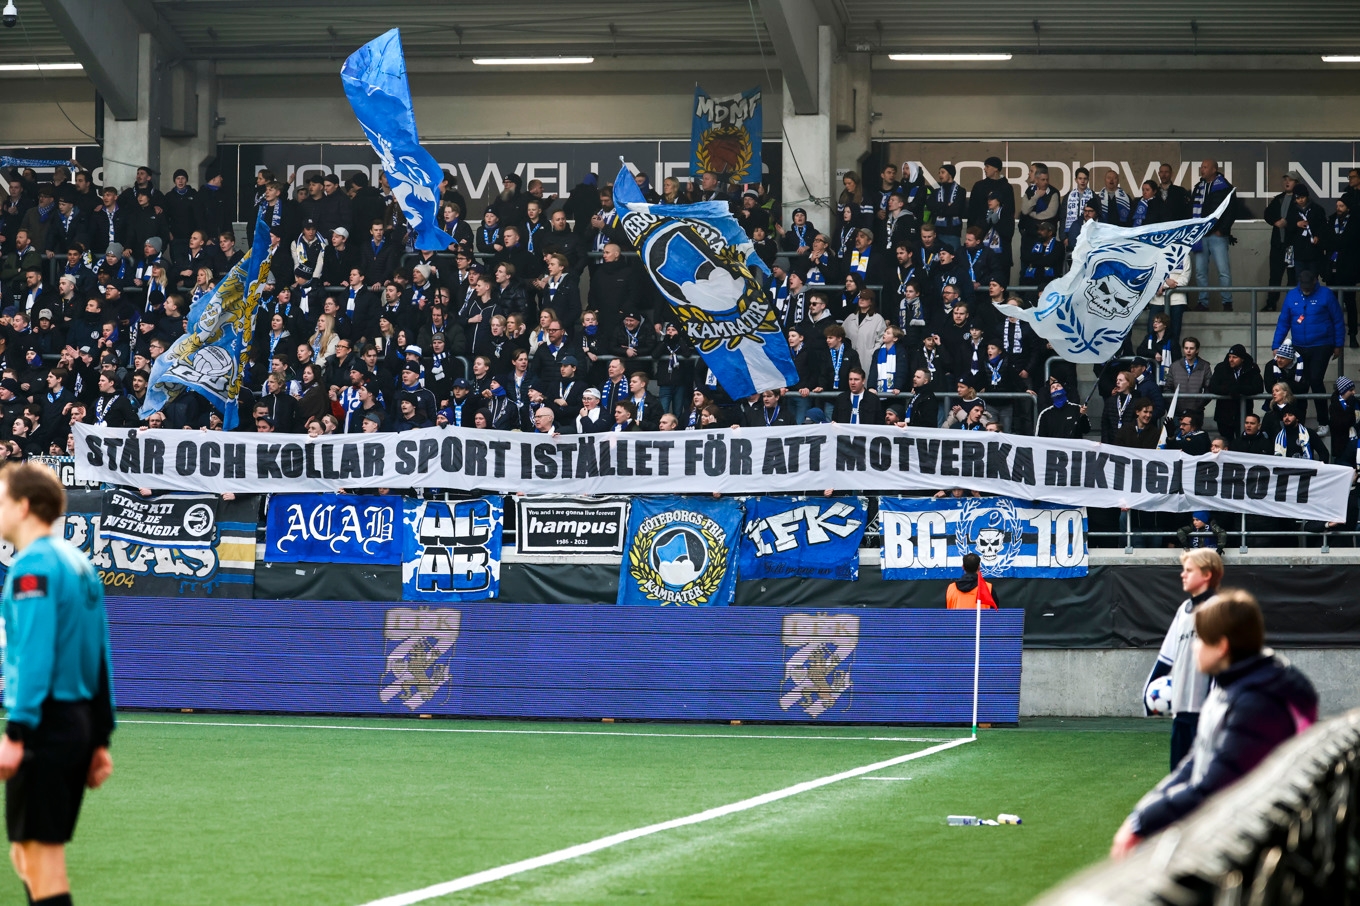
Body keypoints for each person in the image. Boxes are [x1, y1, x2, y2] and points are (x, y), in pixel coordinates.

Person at [1113, 590, 1317, 858]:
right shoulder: (1229, 687)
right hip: (1233, 834)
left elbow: (1214, 785)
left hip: (1260, 850)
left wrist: (1142, 825)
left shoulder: (1258, 703)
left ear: (1221, 646)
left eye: (1200, 640)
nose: (1194, 647)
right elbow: (1196, 760)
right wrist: (1142, 813)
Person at [0, 463, 115, 905]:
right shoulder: (79, 563)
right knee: (25, 855)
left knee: (42, 862)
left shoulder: (34, 567)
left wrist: (17, 732)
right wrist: (100, 738)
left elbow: (34, 654)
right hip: (77, 722)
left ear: (24, 506)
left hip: (47, 725)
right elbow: (98, 656)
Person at [1144, 549, 1223, 772]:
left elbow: (1225, 665)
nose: (1183, 575)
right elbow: (1166, 657)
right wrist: (1148, 694)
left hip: (1207, 715)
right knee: (1177, 776)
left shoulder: (1219, 609)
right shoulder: (1183, 611)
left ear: (1207, 574)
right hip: (1181, 713)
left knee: (1204, 780)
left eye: (1189, 570)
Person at [1271, 271, 1345, 430]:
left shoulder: (1326, 294)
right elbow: (1283, 322)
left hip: (1322, 345)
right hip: (1299, 346)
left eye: (1308, 286)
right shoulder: (1291, 296)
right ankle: (1299, 421)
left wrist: (1338, 344)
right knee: (1299, 384)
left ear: (1315, 281)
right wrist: (1276, 345)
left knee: (1316, 379)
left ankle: (1324, 422)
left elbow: (1338, 320)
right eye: (1303, 286)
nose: (1306, 289)